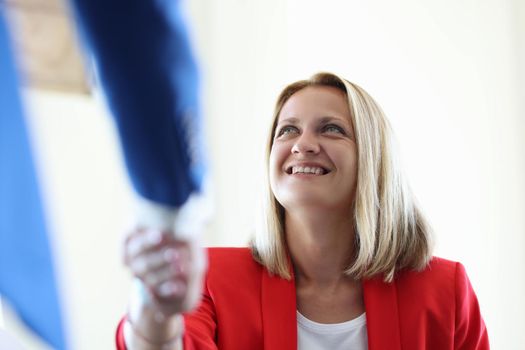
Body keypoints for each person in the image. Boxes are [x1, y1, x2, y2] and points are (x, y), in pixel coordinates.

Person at [117, 72, 490, 350]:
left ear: (374, 159)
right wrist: (156, 307)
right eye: (287, 130)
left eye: (331, 129)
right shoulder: (211, 278)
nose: (303, 145)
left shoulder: (445, 291)